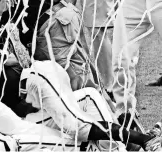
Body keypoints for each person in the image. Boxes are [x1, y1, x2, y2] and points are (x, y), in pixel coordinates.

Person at [20, 60, 162, 151]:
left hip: (24, 116)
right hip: (19, 129)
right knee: (77, 125)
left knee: (89, 95)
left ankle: (134, 144)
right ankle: (141, 142)